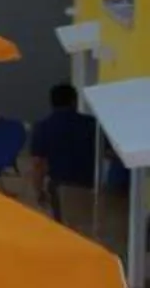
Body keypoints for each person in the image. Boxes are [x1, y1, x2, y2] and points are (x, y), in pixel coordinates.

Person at [28, 81, 98, 216]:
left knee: (63, 225)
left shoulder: (43, 127)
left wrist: (38, 190)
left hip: (60, 187)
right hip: (88, 185)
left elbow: (38, 163)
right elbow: (107, 152)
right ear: (74, 101)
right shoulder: (91, 124)